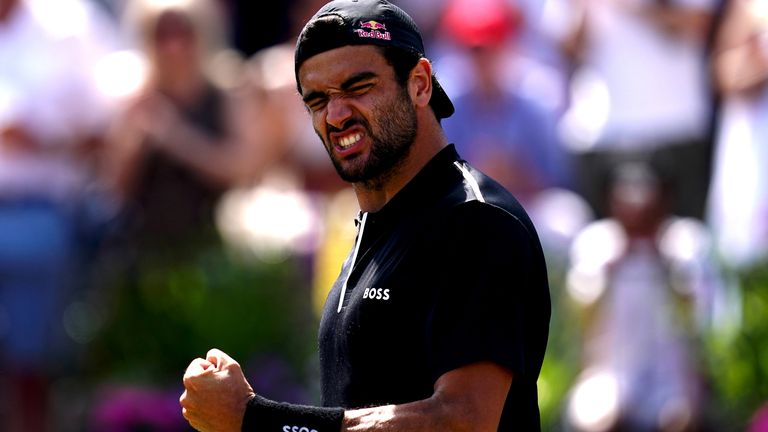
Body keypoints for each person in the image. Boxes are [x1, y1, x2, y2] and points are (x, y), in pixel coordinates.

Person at [179, 1, 551, 431]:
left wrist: (257, 420)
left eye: (358, 87)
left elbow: (464, 420)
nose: (335, 115)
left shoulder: (475, 222)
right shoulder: (374, 227)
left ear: (419, 84)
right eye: (317, 100)